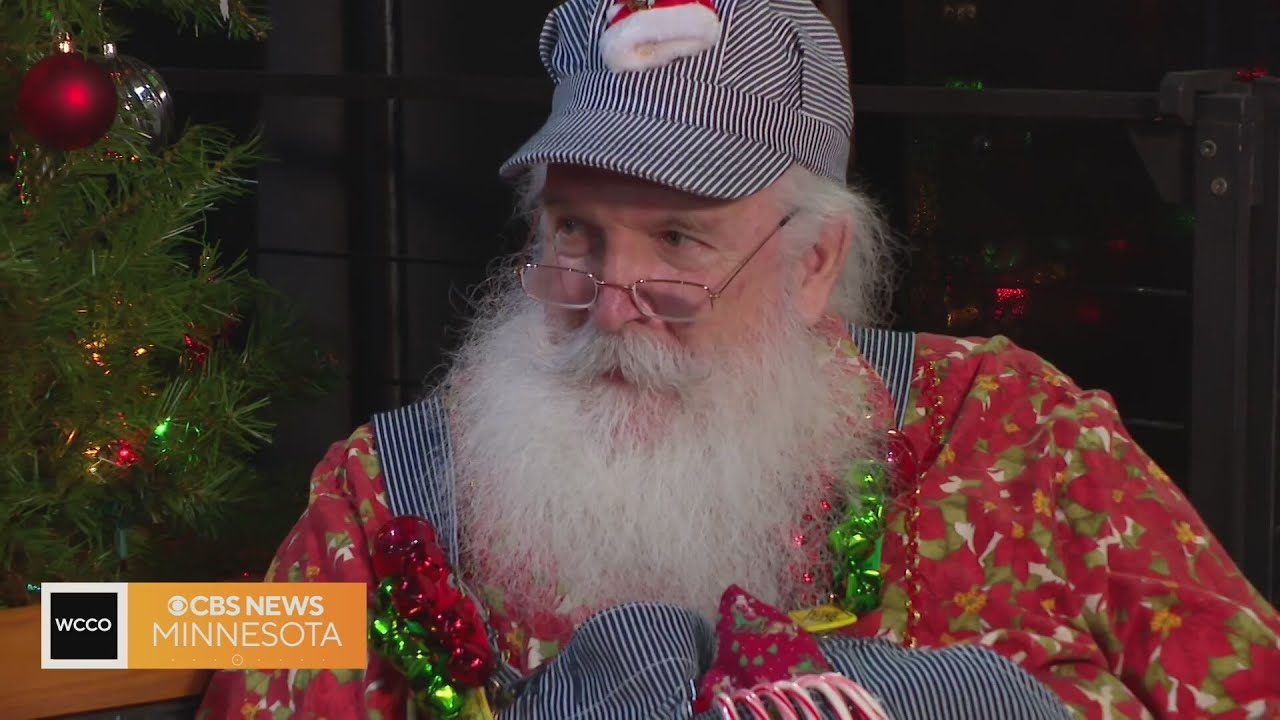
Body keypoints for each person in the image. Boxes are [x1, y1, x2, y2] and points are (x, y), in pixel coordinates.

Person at [198, 0, 1280, 717]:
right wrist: (56, 632)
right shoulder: (396, 491)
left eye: (677, 241)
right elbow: (179, 632)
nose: (611, 305)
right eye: (573, 232)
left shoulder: (1013, 435)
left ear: (813, 264)